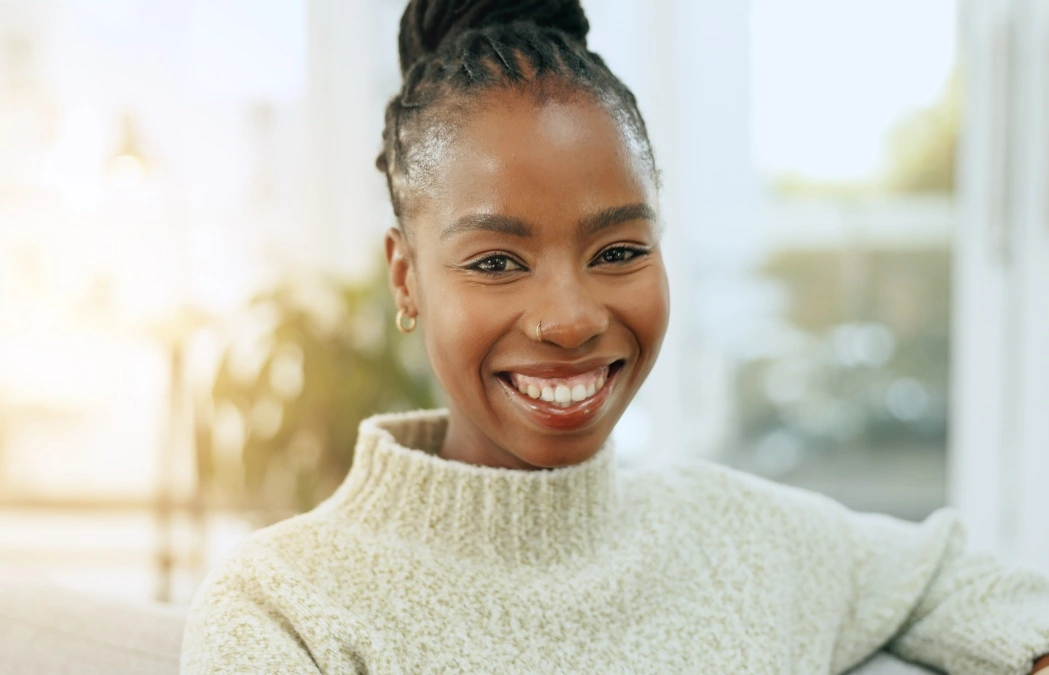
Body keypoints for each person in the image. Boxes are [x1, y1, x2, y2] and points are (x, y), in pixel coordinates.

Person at [180, 1, 1049, 673]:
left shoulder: (746, 537)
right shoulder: (285, 606)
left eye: (619, 250)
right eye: (495, 261)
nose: (569, 318)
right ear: (406, 276)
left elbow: (955, 581)